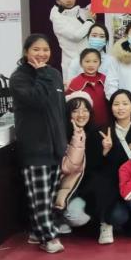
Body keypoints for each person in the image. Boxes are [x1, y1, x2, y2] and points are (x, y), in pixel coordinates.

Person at [10, 34, 68, 253]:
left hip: (55, 145)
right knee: (40, 197)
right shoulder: (19, 77)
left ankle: (37, 232)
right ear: (26, 52)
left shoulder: (54, 74)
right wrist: (42, 74)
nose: (42, 54)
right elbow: (37, 100)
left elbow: (60, 109)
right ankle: (49, 237)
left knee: (48, 195)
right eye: (36, 49)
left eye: (45, 49)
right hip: (34, 145)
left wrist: (63, 141)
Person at [86, 90, 131, 245]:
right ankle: (105, 224)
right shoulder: (103, 131)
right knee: (117, 216)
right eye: (116, 104)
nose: (120, 108)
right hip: (113, 186)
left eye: (125, 104)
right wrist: (105, 151)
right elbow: (93, 165)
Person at [54, 92, 92, 235]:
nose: (81, 115)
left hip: (81, 189)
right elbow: (68, 168)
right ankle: (59, 219)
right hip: (65, 189)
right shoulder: (61, 135)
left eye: (85, 110)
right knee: (78, 217)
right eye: (75, 111)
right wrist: (77, 138)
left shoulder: (94, 132)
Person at [64, 23, 120, 96]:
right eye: (94, 35)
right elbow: (71, 86)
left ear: (106, 41)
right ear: (88, 38)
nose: (97, 39)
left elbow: (114, 85)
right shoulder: (76, 61)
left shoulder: (111, 61)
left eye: (102, 36)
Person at [49, 0, 94, 70]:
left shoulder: (81, 12)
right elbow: (76, 36)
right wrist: (90, 21)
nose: (68, 0)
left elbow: (95, 5)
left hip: (90, 61)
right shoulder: (58, 19)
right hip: (72, 64)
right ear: (58, 1)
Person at [66, 48, 109, 129]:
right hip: (83, 127)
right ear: (81, 63)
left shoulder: (107, 80)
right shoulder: (75, 82)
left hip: (106, 125)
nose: (91, 65)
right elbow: (70, 109)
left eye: (95, 61)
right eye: (87, 61)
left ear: (100, 63)